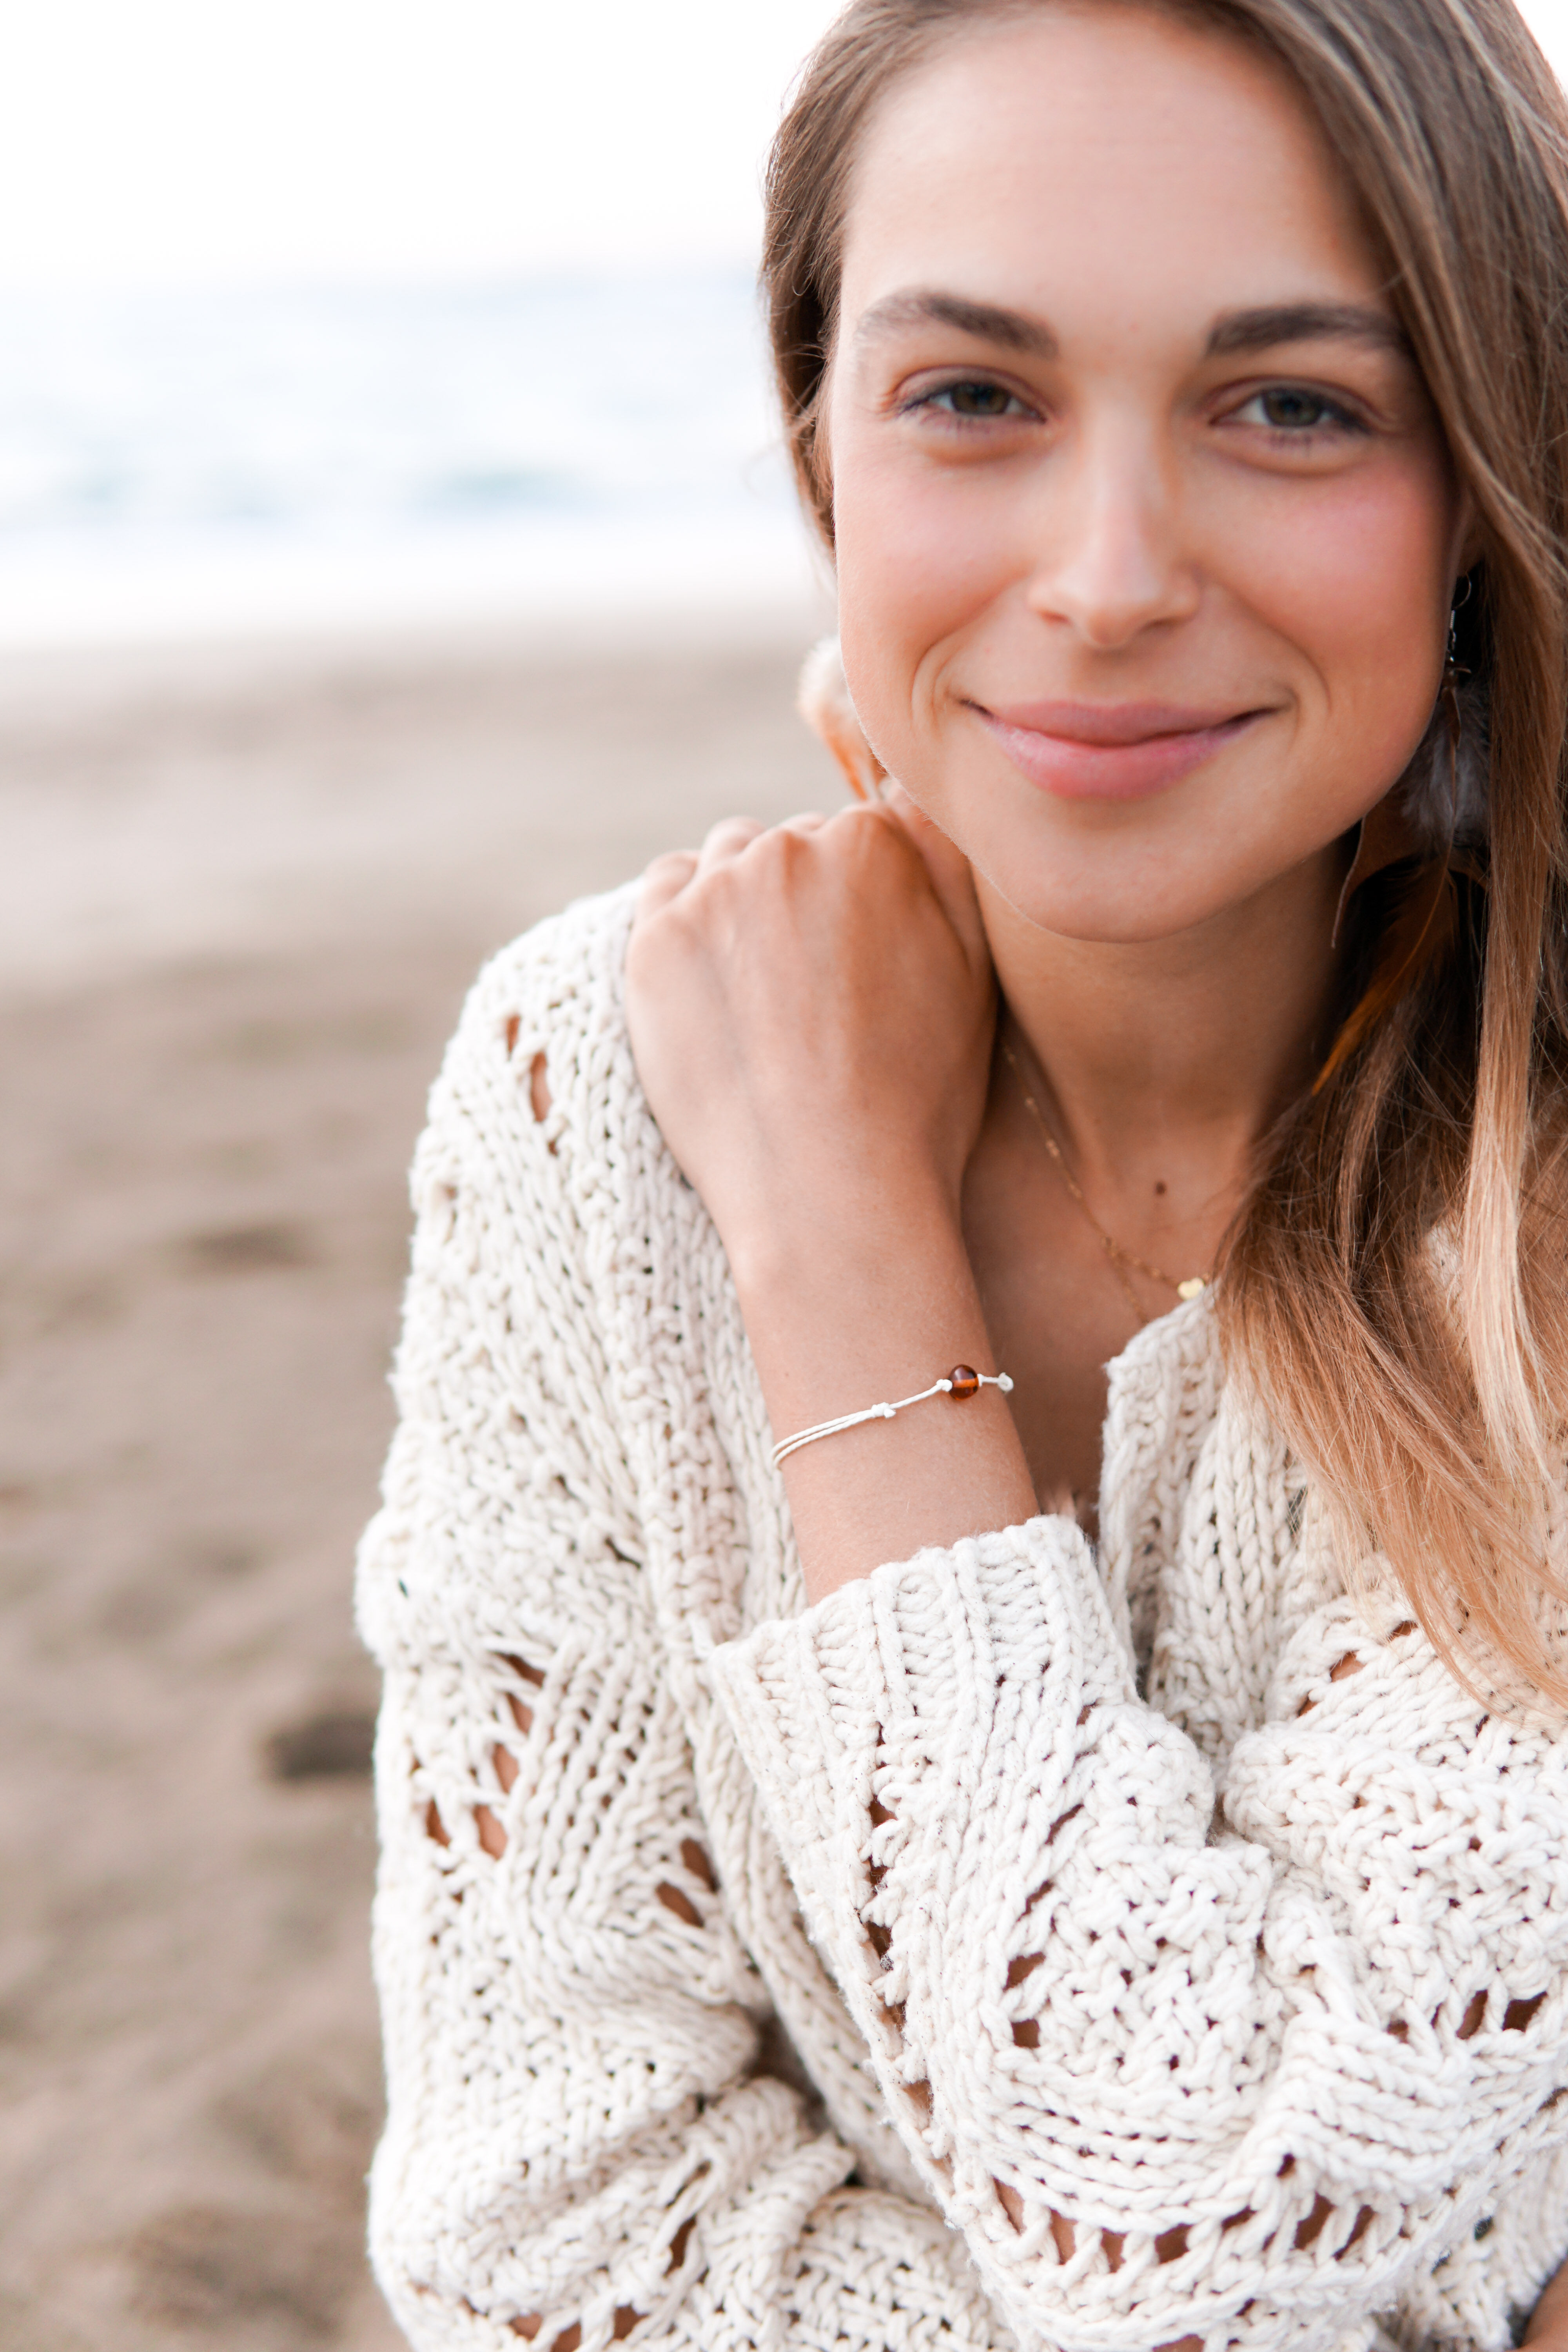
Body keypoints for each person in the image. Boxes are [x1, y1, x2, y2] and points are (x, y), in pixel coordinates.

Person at [356, 0, 1568, 2345]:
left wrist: (836, 1243)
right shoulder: (586, 1082)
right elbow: (532, 2248)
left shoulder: (1532, 1197)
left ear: (1490, 474)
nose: (1107, 575)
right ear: (825, 452)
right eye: (976, 397)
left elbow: (1189, 2244)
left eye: (1295, 405)